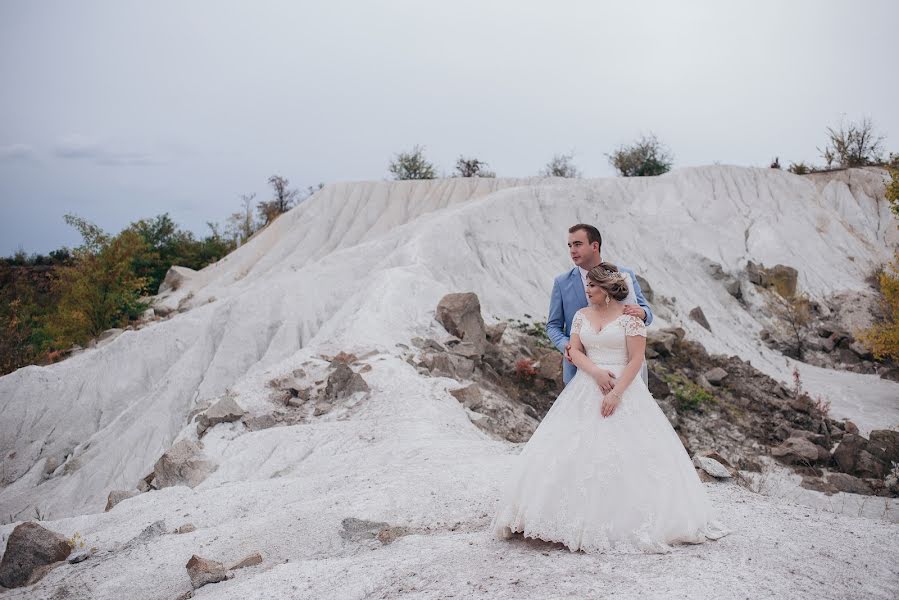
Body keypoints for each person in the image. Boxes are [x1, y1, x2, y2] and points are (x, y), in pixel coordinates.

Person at [493, 263, 726, 553]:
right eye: (587, 285)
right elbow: (574, 350)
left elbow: (636, 360)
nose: (586, 290)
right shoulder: (581, 316)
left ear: (607, 289)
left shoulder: (631, 320)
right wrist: (596, 373)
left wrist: (615, 393)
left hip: (624, 388)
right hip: (585, 385)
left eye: (592, 286)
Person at [547, 224, 652, 386]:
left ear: (594, 246)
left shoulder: (623, 275)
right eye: (570, 246)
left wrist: (642, 313)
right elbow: (553, 325)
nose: (572, 251)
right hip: (578, 371)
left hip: (620, 373)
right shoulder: (561, 282)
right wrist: (568, 347)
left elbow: (647, 312)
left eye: (577, 244)